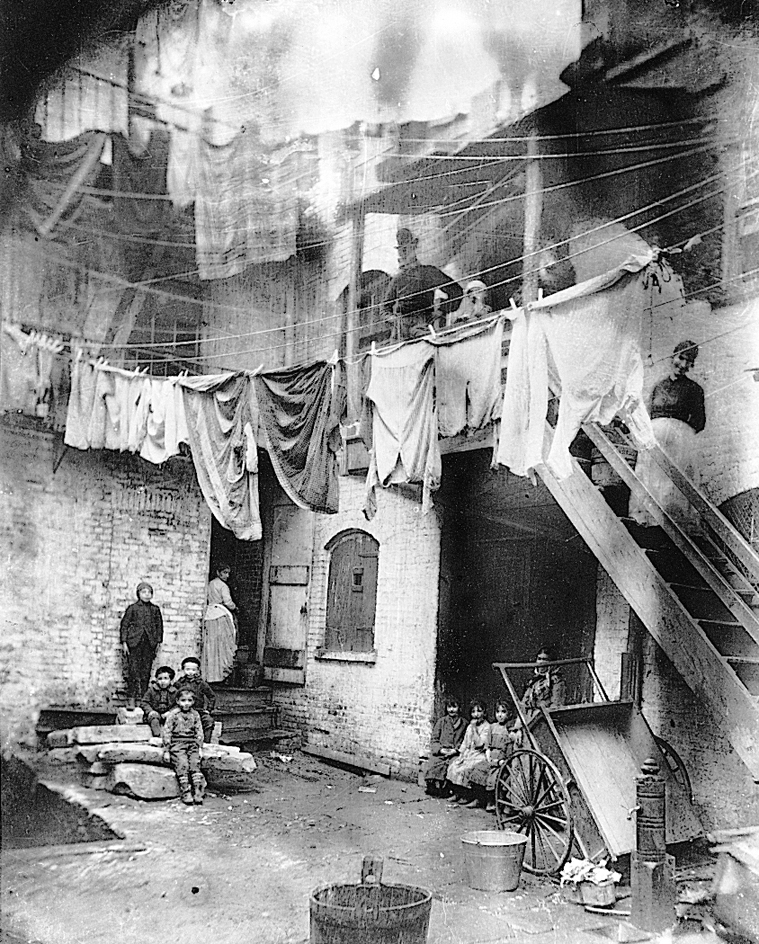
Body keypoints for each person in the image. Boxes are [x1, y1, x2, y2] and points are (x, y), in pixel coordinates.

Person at [630, 340, 706, 532]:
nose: (683, 364)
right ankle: (645, 520)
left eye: (688, 361)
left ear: (692, 365)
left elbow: (699, 422)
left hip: (677, 446)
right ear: (673, 357)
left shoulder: (694, 390)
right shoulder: (659, 386)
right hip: (655, 441)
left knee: (671, 484)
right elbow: (647, 414)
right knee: (650, 478)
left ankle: (671, 524)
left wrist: (678, 433)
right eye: (680, 358)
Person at [382, 228, 463, 341]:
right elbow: (385, 308)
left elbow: (456, 292)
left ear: (414, 248)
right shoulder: (397, 279)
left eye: (406, 249)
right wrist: (393, 319)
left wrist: (441, 310)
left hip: (422, 322)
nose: (403, 254)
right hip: (401, 326)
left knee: (426, 347)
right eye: (401, 250)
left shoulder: (428, 272)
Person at [120, 581, 164, 706]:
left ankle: (144, 699)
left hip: (149, 645)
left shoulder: (155, 609)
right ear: (138, 594)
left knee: (146, 672)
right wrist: (124, 642)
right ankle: (131, 698)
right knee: (133, 671)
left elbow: (159, 627)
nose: (147, 595)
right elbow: (124, 625)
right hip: (134, 644)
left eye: (149, 592)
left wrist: (158, 642)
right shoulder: (132, 608)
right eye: (144, 592)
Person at [511, 649, 566, 745]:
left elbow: (556, 706)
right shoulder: (534, 682)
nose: (540, 662)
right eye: (539, 658)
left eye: (544, 659)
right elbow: (523, 704)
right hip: (528, 720)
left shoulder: (556, 682)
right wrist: (517, 728)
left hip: (542, 721)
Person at [468, 700, 513, 811]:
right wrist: (488, 755)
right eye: (498, 712)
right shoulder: (492, 727)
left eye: (503, 712)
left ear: (509, 714)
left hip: (502, 757)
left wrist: (501, 760)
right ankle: (479, 798)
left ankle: (492, 802)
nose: (500, 715)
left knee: (494, 776)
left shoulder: (510, 728)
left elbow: (509, 748)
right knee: (478, 769)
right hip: (491, 756)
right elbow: (487, 745)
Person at [163, 687, 205, 805]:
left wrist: (200, 748)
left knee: (194, 764)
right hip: (177, 744)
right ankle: (185, 791)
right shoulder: (173, 715)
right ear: (177, 701)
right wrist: (167, 750)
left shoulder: (195, 715)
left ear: (193, 702)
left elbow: (199, 731)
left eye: (189, 700)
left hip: (192, 744)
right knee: (182, 764)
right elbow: (167, 731)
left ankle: (197, 791)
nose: (186, 704)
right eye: (183, 700)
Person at [445, 698, 491, 805]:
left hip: (479, 754)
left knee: (466, 769)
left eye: (479, 711)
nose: (476, 714)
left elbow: (480, 744)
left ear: (484, 713)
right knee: (454, 766)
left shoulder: (487, 727)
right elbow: (465, 743)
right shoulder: (470, 726)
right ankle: (458, 793)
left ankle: (469, 796)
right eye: (473, 712)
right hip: (468, 753)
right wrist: (461, 754)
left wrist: (474, 729)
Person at [423, 697, 466, 797]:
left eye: (454, 707)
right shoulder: (441, 722)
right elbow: (434, 739)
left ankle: (448, 788)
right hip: (441, 752)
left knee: (452, 765)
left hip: (455, 753)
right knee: (434, 763)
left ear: (459, 708)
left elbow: (464, 740)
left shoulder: (464, 724)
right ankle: (433, 787)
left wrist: (455, 750)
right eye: (449, 707)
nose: (451, 710)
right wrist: (440, 750)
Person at [202, 563, 238, 684]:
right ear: (218, 572)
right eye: (224, 573)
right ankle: (221, 674)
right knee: (223, 646)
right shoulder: (223, 586)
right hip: (220, 615)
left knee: (212, 645)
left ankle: (211, 675)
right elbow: (227, 602)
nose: (227, 575)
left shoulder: (210, 584)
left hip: (209, 614)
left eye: (228, 573)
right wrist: (235, 607)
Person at [174, 656, 216, 743]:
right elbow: (173, 696)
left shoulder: (201, 683)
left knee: (208, 721)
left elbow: (212, 696)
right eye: (187, 669)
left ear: (197, 670)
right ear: (183, 670)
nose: (190, 672)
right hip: (183, 710)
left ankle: (206, 743)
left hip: (198, 710)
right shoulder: (179, 683)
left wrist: (208, 709)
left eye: (193, 670)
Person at [139, 665, 177, 738]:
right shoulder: (152, 690)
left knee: (173, 720)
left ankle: (171, 737)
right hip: (155, 713)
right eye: (160, 679)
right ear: (156, 679)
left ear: (171, 680)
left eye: (166, 678)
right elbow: (144, 702)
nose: (163, 681)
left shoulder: (174, 691)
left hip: (168, 713)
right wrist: (150, 711)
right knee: (154, 720)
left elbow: (177, 704)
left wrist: (170, 712)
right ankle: (157, 736)